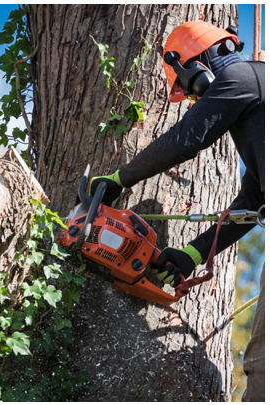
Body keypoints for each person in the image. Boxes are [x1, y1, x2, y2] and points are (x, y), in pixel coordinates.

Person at [89, 21, 264, 401]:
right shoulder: (257, 93)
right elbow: (253, 203)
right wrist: (193, 254)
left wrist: (119, 178)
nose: (194, 99)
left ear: (194, 65)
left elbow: (186, 140)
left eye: (187, 90)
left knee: (263, 370)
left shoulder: (240, 78)